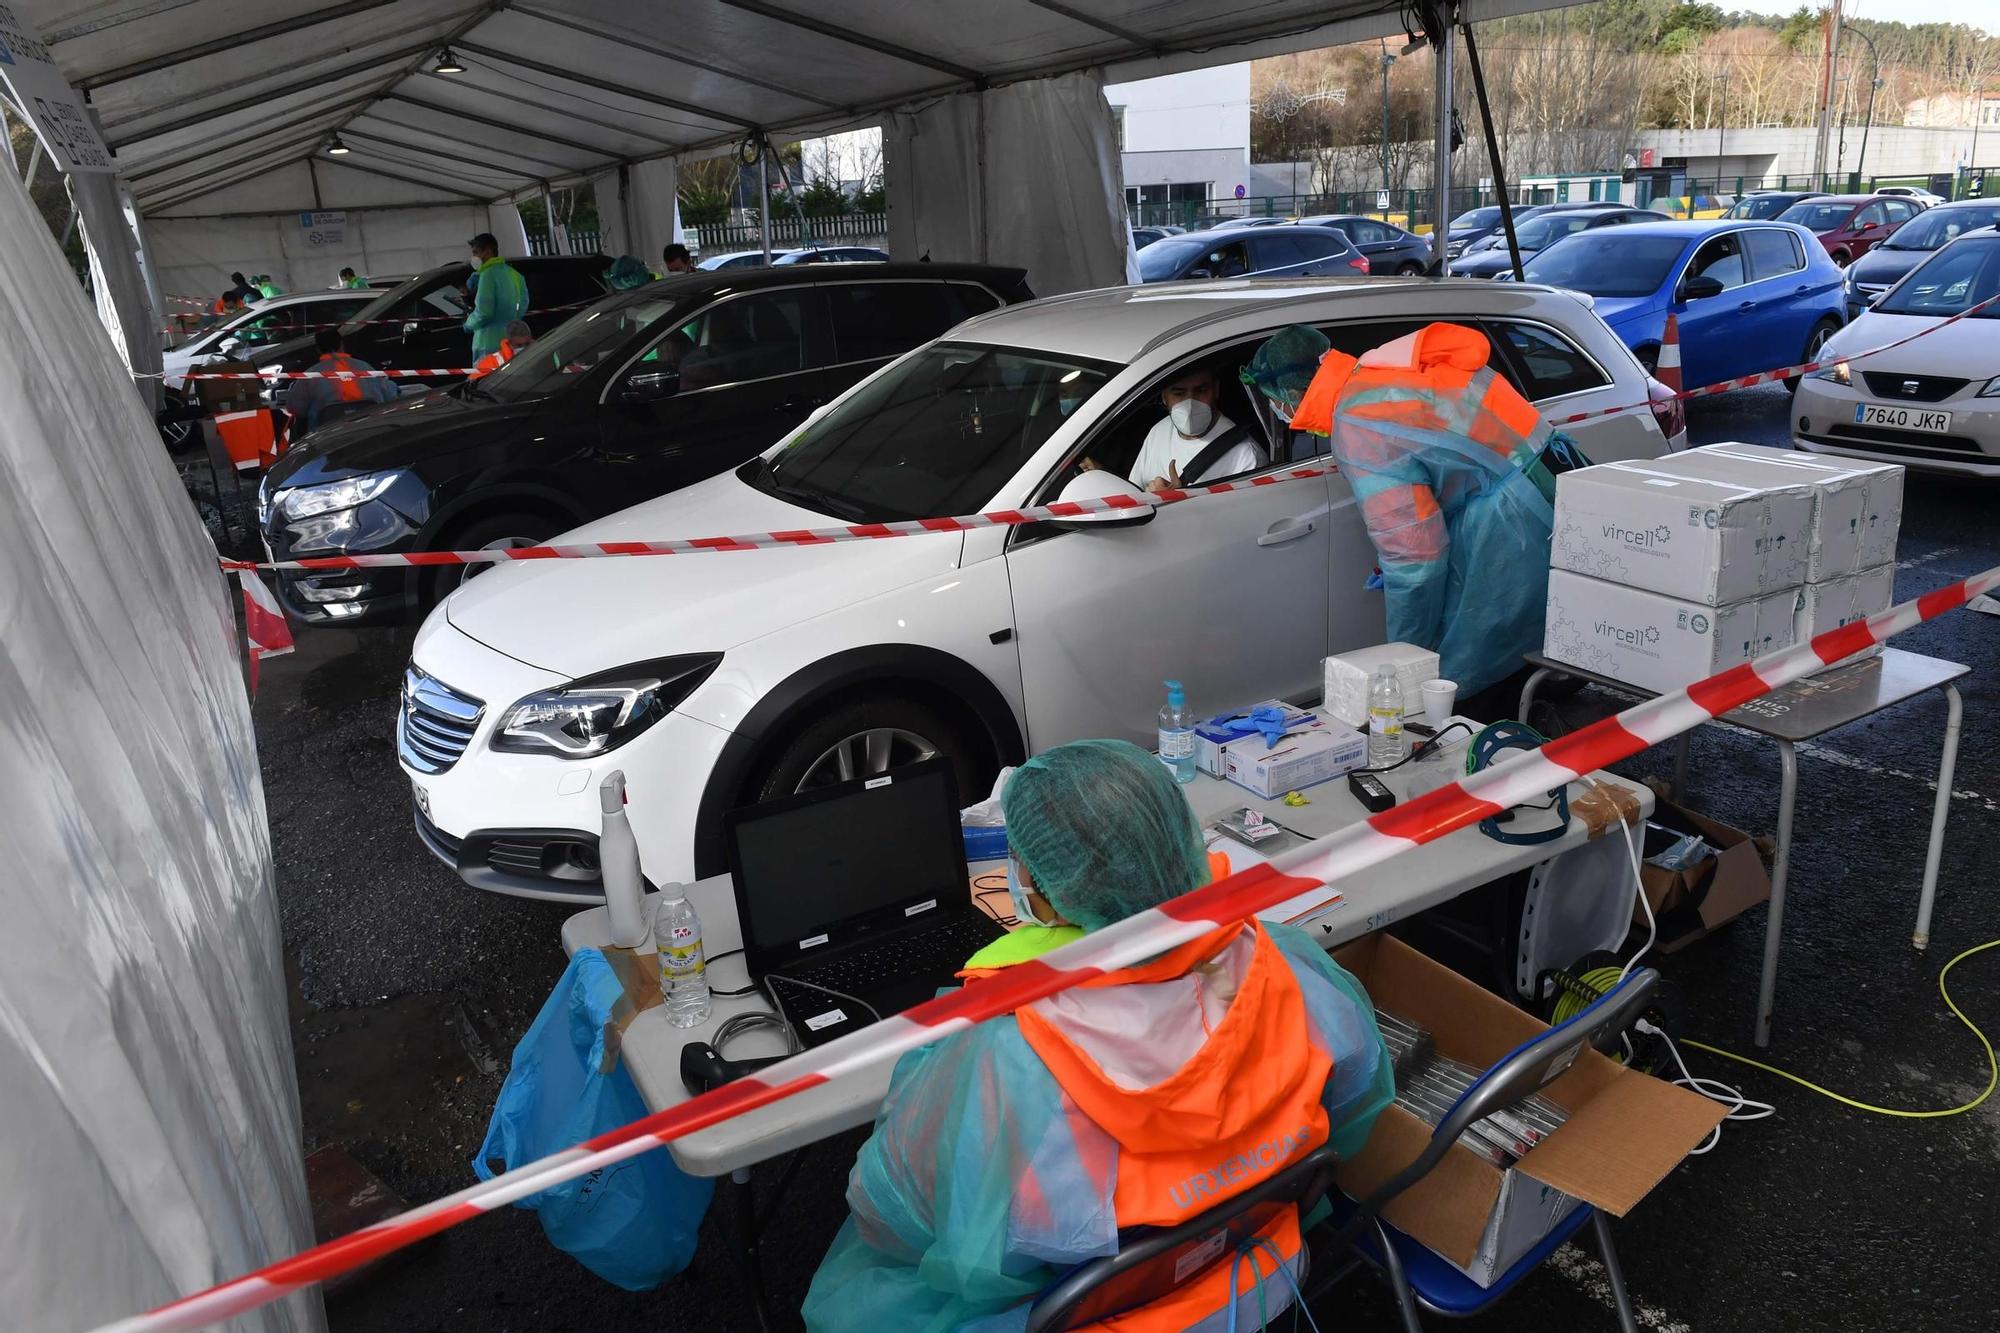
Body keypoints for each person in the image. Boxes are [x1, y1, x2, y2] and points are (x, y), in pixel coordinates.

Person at [801, 738, 1393, 1331]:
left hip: (1094, 1312)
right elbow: (1355, 1101)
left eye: (1022, 858)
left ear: (1054, 893)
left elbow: (894, 1216)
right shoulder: (1283, 962)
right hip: (1257, 1272)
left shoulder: (1012, 1052)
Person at [1245, 322, 1562, 696]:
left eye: (1273, 400)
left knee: (1462, 674)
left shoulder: (1357, 423)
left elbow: (1416, 559)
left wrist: (1401, 659)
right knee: (1540, 642)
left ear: (1291, 393)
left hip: (1515, 522)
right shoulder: (1379, 371)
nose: (1276, 410)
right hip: (1555, 482)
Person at [1114, 364, 1266, 494]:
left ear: (1216, 390)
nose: (1190, 404)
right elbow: (1133, 492)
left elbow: (1245, 521)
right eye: (1179, 393)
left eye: (1201, 391)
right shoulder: (1158, 431)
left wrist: (1174, 504)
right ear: (1163, 397)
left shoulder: (1247, 456)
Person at [280, 329, 396, 436]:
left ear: (318, 349)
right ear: (342, 344)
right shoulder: (365, 367)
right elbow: (389, 396)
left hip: (325, 439)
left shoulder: (311, 375)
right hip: (369, 434)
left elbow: (294, 408)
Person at [464, 232, 529, 360]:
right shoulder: (515, 275)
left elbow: (484, 312)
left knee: (485, 379)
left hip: (487, 343)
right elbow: (522, 307)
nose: (473, 257)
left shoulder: (487, 275)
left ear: (487, 252)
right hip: (512, 342)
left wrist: (468, 323)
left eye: (476, 252)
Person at [469, 319, 534, 378]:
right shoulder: (491, 363)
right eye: (519, 345)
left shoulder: (540, 352)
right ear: (509, 343)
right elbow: (472, 385)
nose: (524, 348)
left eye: (527, 344)